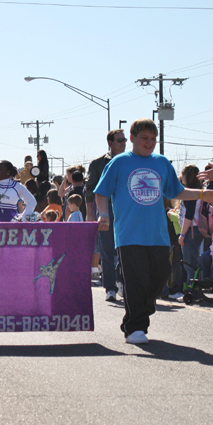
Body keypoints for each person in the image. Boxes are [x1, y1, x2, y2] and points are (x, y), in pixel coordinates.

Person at [94, 118, 213, 345]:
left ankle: (136, 316)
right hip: (128, 235)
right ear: (132, 139)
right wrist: (103, 214)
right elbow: (101, 192)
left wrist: (203, 194)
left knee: (158, 278)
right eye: (144, 138)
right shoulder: (118, 163)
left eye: (153, 139)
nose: (150, 143)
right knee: (136, 282)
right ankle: (136, 328)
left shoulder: (162, 163)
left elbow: (177, 191)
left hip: (158, 235)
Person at [86, 129, 127, 301]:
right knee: (107, 250)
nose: (123, 143)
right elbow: (90, 189)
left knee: (126, 249)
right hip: (106, 210)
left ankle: (123, 283)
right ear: (110, 143)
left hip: (126, 210)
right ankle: (110, 287)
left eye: (125, 140)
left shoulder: (130, 161)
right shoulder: (98, 163)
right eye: (120, 140)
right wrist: (90, 213)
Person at [177, 165, 205, 296]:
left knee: (190, 262)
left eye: (182, 174)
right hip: (196, 229)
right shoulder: (199, 191)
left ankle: (192, 291)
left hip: (191, 230)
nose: (181, 177)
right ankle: (194, 290)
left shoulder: (191, 192)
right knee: (193, 260)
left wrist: (182, 234)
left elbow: (189, 214)